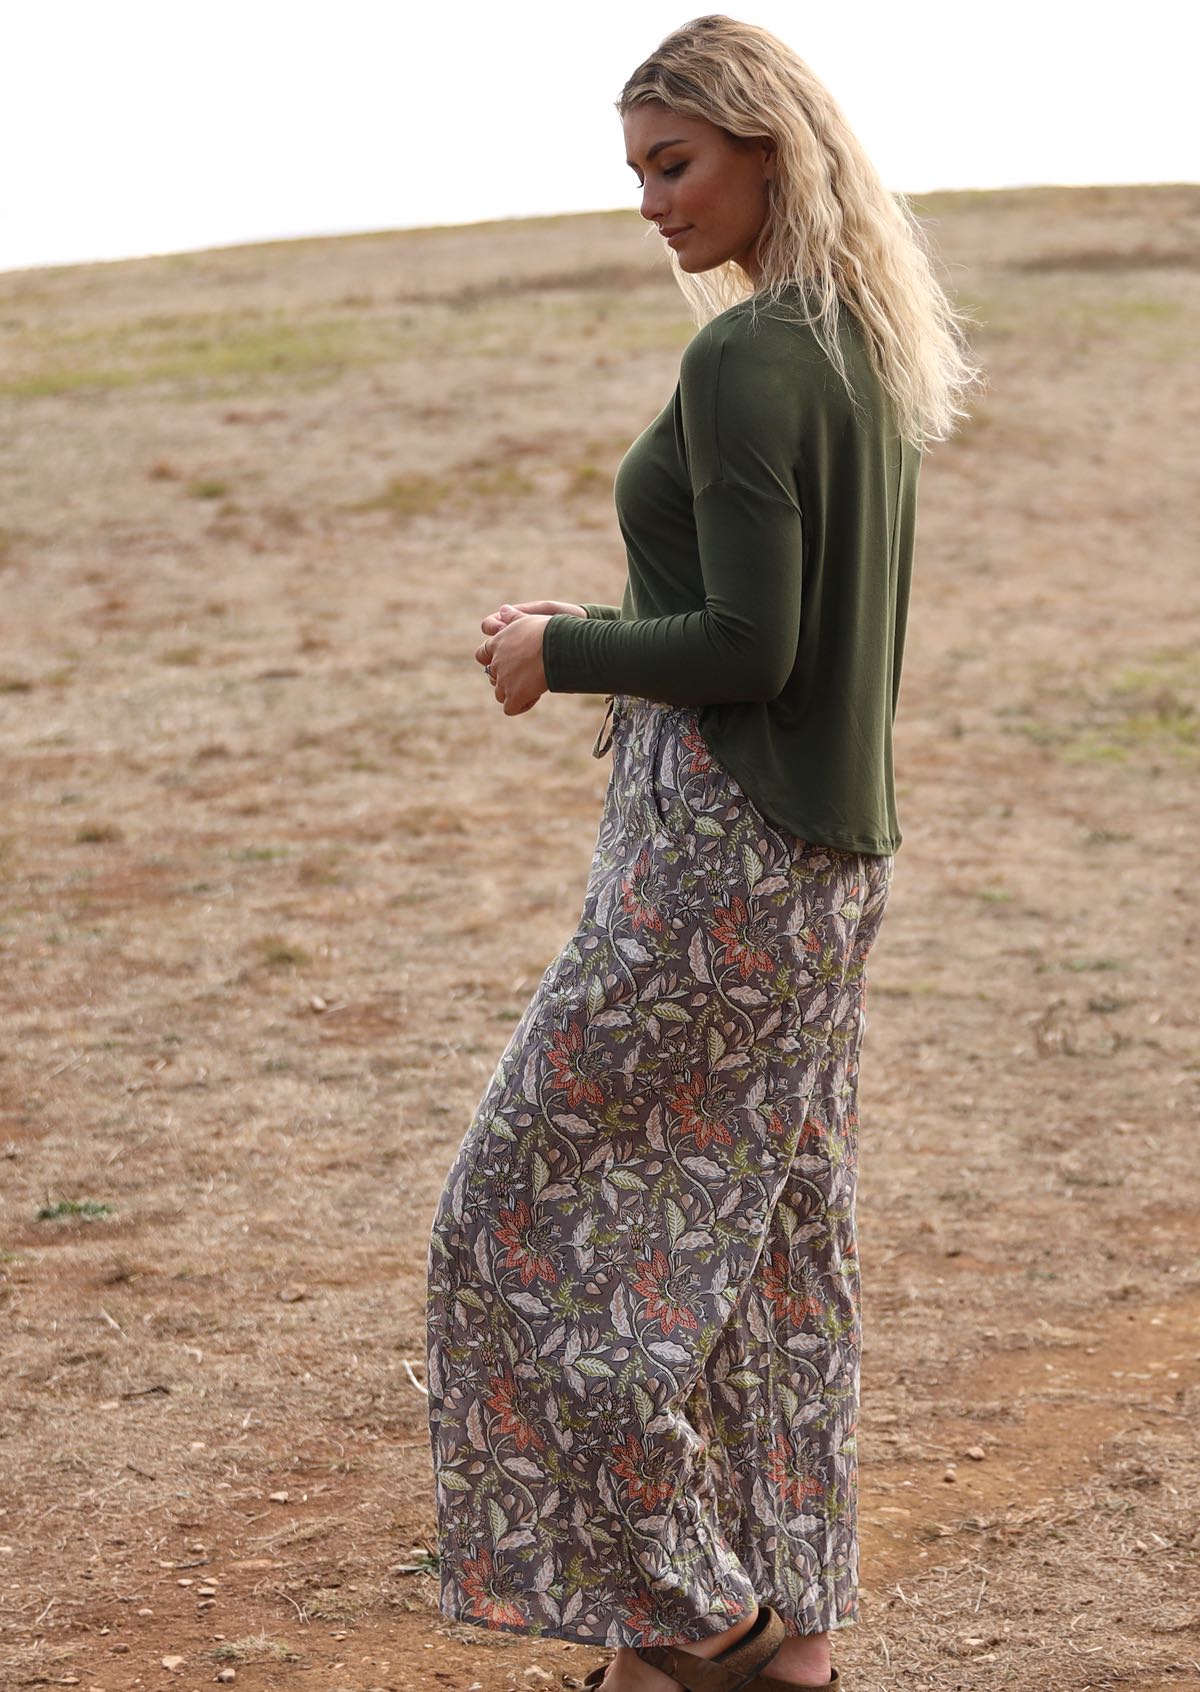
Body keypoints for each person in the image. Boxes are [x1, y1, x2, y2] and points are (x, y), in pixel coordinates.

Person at [425, 15, 975, 1691]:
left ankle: (692, 1616)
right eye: (638, 174)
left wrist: (563, 647)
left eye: (674, 165)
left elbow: (752, 646)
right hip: (828, 865)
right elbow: (769, 624)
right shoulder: (860, 341)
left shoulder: (746, 357)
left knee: (510, 1222)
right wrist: (604, 627)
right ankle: (787, 1634)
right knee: (775, 1248)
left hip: (719, 860)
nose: (653, 203)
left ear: (767, 147)